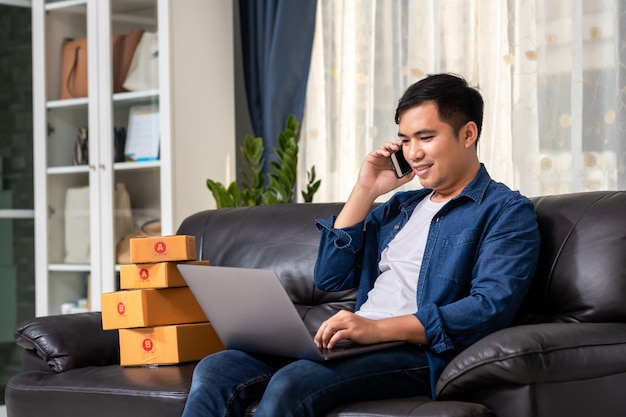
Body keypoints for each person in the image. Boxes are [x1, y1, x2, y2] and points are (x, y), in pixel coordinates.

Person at [181, 73, 541, 417]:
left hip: (414, 352)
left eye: (426, 137)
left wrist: (375, 329)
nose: (413, 153)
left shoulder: (506, 211)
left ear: (467, 134)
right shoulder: (400, 208)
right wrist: (365, 190)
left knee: (294, 382)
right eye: (405, 140)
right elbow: (330, 277)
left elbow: (489, 308)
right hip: (357, 342)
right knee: (219, 367)